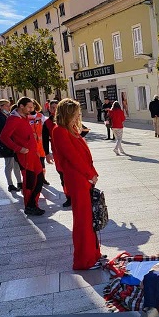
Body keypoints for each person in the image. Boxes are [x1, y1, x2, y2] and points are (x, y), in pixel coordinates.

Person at [52, 98, 103, 270]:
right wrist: (89, 174)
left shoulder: (71, 129)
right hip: (77, 179)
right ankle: (84, 260)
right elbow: (72, 157)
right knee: (83, 220)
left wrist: (93, 173)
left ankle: (93, 254)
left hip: (84, 178)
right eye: (76, 113)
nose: (78, 116)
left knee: (90, 219)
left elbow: (83, 155)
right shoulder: (59, 131)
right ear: (68, 114)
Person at [0, 97, 45, 216]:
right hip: (25, 156)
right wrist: (18, 148)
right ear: (21, 106)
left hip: (33, 155)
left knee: (39, 179)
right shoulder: (13, 119)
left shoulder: (24, 117)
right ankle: (30, 206)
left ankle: (33, 204)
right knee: (30, 181)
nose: (31, 110)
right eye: (29, 107)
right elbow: (4, 137)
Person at [43, 100, 71, 207]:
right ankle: (68, 197)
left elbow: (82, 131)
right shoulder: (47, 123)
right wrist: (47, 153)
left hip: (71, 152)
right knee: (63, 176)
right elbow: (44, 140)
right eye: (52, 108)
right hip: (58, 154)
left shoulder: (67, 119)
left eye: (56, 107)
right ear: (49, 109)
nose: (54, 110)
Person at [0, 99, 23, 192]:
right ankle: (10, 184)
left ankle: (19, 182)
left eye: (9, 105)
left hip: (13, 143)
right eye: (6, 106)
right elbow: (4, 130)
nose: (8, 107)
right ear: (1, 106)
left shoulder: (8, 115)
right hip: (6, 144)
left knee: (16, 164)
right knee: (9, 165)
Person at [29, 100, 49, 186]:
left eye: (32, 105)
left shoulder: (40, 116)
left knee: (42, 162)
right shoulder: (25, 117)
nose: (30, 108)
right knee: (33, 164)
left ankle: (42, 178)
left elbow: (47, 127)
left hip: (41, 144)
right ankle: (35, 179)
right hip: (31, 145)